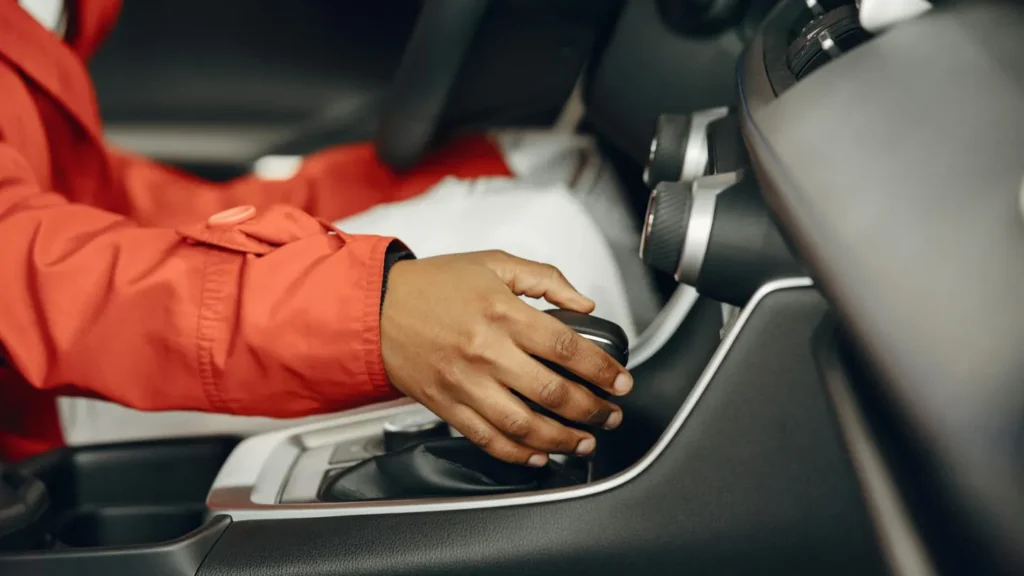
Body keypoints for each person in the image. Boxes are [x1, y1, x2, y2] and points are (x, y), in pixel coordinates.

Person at [0, 0, 633, 465]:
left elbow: (99, 204)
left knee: (550, 167)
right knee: (547, 236)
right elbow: (33, 276)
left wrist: (397, 183)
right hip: (39, 400)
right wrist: (368, 313)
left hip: (69, 332)